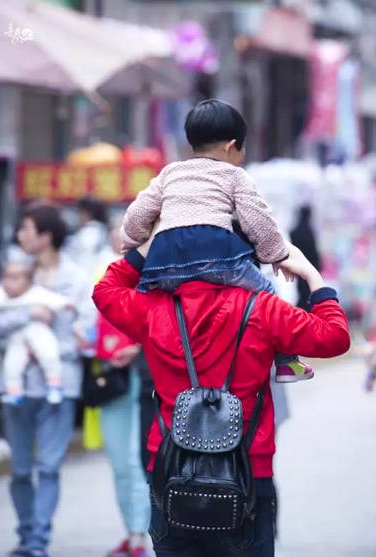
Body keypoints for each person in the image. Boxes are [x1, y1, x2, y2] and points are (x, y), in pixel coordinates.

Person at [92, 232, 350, 557]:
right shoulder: (264, 309)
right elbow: (336, 337)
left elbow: (104, 291)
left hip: (170, 475)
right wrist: (312, 275)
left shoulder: (153, 310)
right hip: (247, 477)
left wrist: (148, 242)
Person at [119, 99, 312, 384]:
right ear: (230, 146)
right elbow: (257, 221)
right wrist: (278, 256)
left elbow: (137, 214)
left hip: (165, 261)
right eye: (242, 149)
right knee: (267, 295)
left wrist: (131, 240)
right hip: (216, 255)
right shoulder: (235, 175)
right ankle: (286, 361)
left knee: (160, 307)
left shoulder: (170, 173)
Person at [0, 203, 94, 557]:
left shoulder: (76, 278)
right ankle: (26, 532)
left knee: (47, 467)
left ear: (45, 236)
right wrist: (27, 317)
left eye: (26, 230)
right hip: (16, 386)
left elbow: (85, 336)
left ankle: (37, 541)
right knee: (19, 470)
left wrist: (52, 346)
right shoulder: (15, 273)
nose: (20, 236)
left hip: (59, 387)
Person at [94, 221, 151, 557]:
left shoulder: (157, 276)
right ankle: (130, 529)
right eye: (118, 243)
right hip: (111, 377)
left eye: (128, 244)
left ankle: (140, 536)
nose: (123, 250)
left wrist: (140, 348)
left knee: (135, 460)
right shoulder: (103, 277)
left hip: (144, 378)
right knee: (118, 460)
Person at [0, 259, 73, 405]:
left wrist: (65, 304)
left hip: (38, 331)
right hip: (17, 336)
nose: (9, 282)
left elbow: (56, 300)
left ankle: (55, 385)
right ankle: (14, 392)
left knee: (49, 353)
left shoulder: (36, 293)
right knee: (12, 363)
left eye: (15, 278)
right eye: (5, 277)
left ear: (28, 280)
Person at [65, 196, 109, 274]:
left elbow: (83, 259)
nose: (79, 216)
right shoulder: (100, 229)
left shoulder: (90, 232)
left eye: (80, 212)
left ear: (88, 213)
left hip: (88, 274)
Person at [290, 205, 322, 310]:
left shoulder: (294, 231)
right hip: (309, 268)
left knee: (299, 292)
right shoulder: (309, 233)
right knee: (306, 294)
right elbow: (314, 253)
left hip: (295, 268)